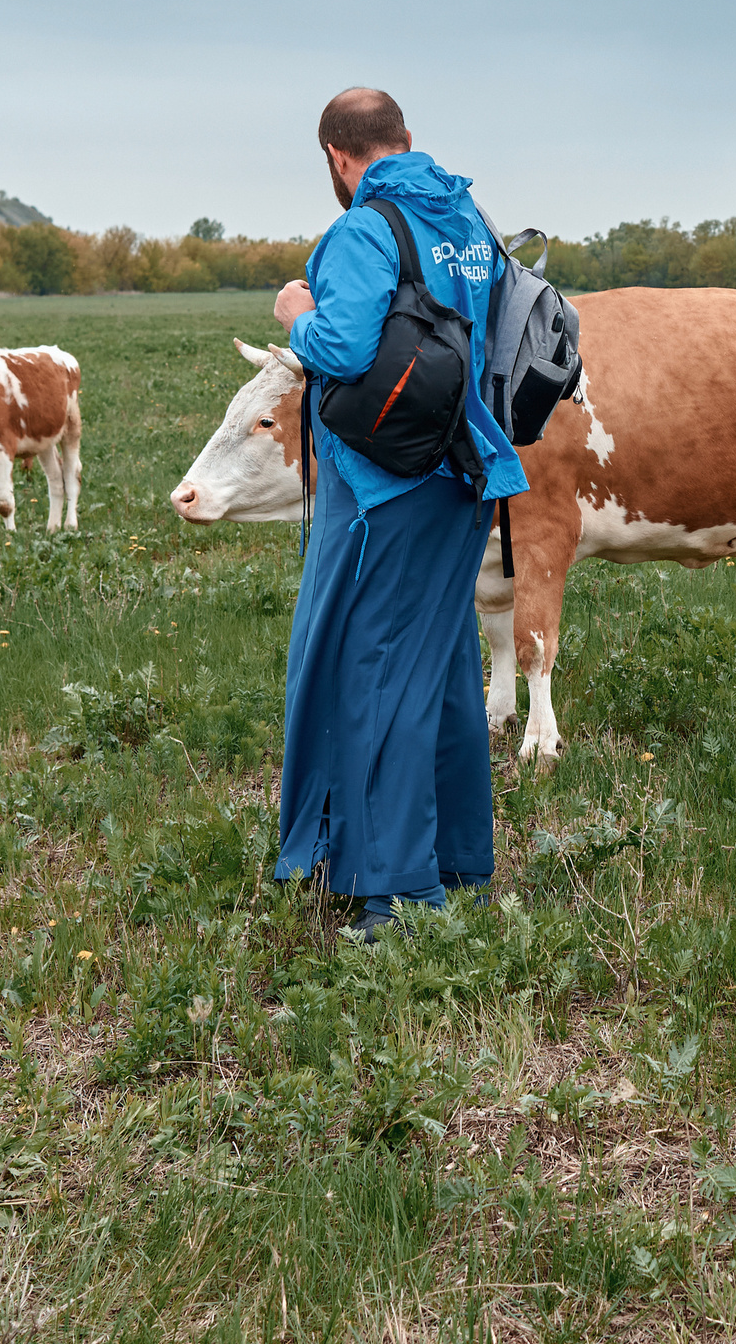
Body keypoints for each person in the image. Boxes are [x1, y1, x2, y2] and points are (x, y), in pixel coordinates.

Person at [273, 88, 530, 937]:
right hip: (467, 471)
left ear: (339, 160)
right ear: (406, 139)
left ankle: (393, 895)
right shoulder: (469, 222)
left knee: (377, 666)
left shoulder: (364, 228)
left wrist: (296, 312)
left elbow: (344, 346)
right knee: (444, 670)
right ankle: (459, 864)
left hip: (388, 485)